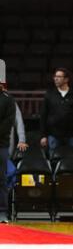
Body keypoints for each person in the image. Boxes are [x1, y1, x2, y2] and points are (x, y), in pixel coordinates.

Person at [40, 67, 73, 156]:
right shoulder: (49, 94)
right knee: (54, 159)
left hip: (72, 135)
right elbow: (43, 115)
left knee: (72, 159)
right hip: (53, 135)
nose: (56, 78)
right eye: (55, 76)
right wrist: (43, 136)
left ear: (66, 79)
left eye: (59, 76)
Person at [0, 80, 16, 223]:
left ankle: (2, 212)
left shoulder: (8, 100)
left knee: (1, 179)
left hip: (1, 145)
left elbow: (8, 123)